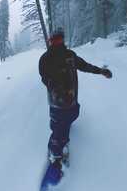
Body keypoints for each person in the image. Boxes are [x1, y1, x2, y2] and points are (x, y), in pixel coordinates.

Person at [38, 28, 112, 170]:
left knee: (71, 116)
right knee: (59, 130)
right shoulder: (45, 59)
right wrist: (59, 91)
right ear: (50, 41)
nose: (58, 42)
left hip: (71, 102)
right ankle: (55, 156)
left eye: (59, 39)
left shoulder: (70, 56)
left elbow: (85, 66)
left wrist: (101, 71)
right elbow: (45, 79)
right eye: (55, 40)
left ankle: (60, 138)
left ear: (63, 39)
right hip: (57, 104)